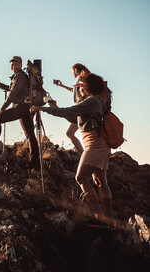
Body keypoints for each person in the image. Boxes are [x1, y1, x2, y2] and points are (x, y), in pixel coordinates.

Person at [31, 73, 113, 226]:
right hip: (99, 145)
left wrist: (42, 108)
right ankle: (108, 220)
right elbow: (72, 118)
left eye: (81, 85)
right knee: (101, 182)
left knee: (81, 178)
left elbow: (69, 111)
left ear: (87, 87)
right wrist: (53, 107)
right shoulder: (92, 102)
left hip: (94, 146)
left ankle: (101, 218)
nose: (79, 88)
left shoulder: (92, 100)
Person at [0, 56, 40, 169]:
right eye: (12, 64)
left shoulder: (20, 76)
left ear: (20, 65)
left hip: (21, 108)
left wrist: (2, 109)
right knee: (30, 134)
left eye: (16, 64)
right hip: (25, 107)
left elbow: (12, 94)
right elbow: (12, 89)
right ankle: (35, 164)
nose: (14, 66)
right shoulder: (19, 76)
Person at [53, 63, 91, 153]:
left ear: (76, 70)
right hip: (79, 111)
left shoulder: (82, 81)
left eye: (72, 72)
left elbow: (84, 93)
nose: (71, 74)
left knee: (71, 133)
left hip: (81, 112)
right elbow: (74, 90)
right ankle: (83, 153)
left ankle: (84, 154)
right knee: (70, 133)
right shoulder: (80, 81)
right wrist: (62, 86)